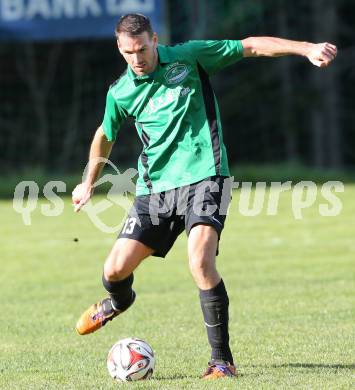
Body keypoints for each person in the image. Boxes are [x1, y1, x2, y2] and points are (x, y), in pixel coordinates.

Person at [72, 13, 337, 379]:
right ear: (120, 48)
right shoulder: (120, 92)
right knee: (114, 271)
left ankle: (221, 362)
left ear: (155, 39)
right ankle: (119, 302)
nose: (137, 59)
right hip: (155, 189)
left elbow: (251, 46)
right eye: (129, 52)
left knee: (199, 261)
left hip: (206, 176)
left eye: (143, 49)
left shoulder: (189, 56)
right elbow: (106, 133)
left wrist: (306, 48)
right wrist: (89, 180)